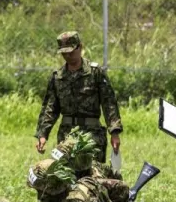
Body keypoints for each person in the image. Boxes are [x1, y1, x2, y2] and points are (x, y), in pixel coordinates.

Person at [35, 31, 123, 164]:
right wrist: (43, 134)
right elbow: (50, 108)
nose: (67, 56)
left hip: (92, 135)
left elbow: (109, 103)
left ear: (80, 47)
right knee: (66, 172)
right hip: (66, 136)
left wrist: (114, 132)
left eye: (70, 52)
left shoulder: (95, 72)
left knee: (92, 173)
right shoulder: (58, 77)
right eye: (64, 53)